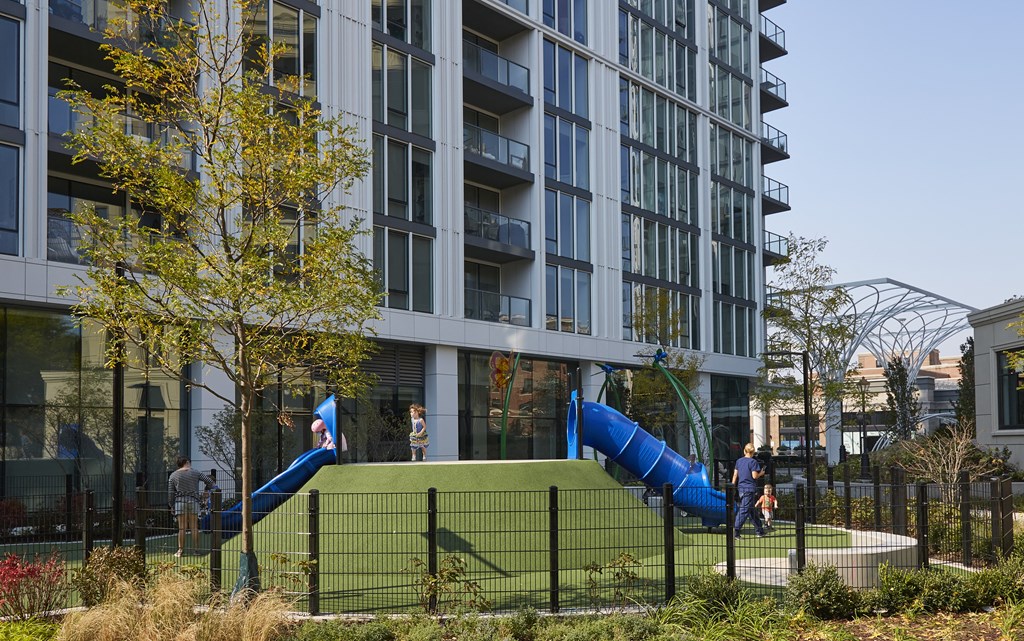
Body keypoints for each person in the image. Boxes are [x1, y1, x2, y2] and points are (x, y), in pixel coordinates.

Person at [167, 457, 216, 557]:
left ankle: (180, 551)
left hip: (180, 502)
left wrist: (171, 505)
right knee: (194, 527)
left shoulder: (173, 475)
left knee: (182, 528)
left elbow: (170, 493)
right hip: (194, 501)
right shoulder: (196, 472)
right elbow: (210, 481)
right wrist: (207, 490)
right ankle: (196, 550)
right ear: (187, 462)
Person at [731, 442, 766, 539]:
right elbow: (754, 476)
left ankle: (760, 530)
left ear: (744, 451)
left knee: (751, 510)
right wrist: (761, 473)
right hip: (749, 488)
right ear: (753, 452)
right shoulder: (753, 462)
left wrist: (732, 486)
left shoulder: (739, 461)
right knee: (744, 510)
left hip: (741, 488)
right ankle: (736, 531)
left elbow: (735, 475)